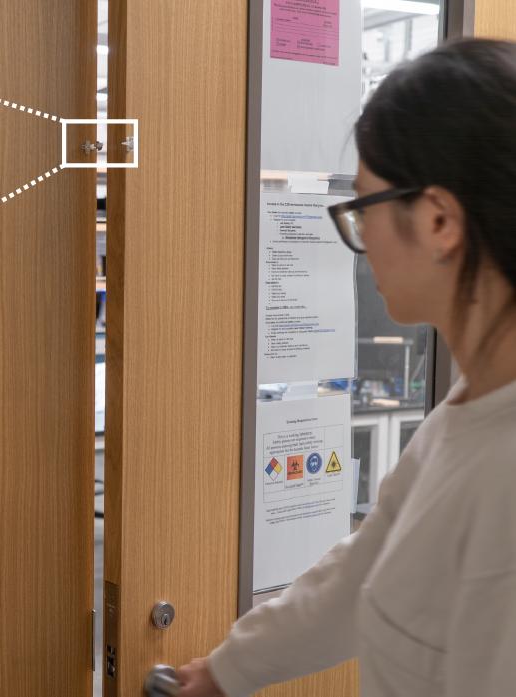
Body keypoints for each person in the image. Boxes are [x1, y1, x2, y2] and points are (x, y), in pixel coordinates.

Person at [178, 38, 516, 696]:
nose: (358, 242)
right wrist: (225, 671)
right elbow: (364, 566)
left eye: (363, 208)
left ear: (439, 219)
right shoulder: (470, 407)